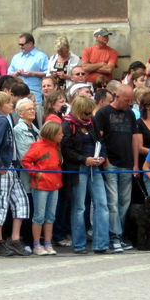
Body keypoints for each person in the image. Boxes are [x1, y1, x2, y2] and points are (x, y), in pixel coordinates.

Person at [61, 95, 110, 254]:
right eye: (86, 113)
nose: (89, 116)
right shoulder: (68, 125)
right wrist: (84, 159)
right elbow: (66, 150)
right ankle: (80, 244)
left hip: (95, 167)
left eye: (90, 113)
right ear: (78, 111)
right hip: (78, 169)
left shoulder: (92, 122)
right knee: (80, 207)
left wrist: (102, 156)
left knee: (102, 204)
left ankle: (101, 243)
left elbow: (101, 141)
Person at [94, 82, 139, 253]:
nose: (129, 104)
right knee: (112, 202)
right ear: (117, 96)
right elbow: (99, 138)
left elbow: (135, 139)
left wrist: (135, 163)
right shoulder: (103, 113)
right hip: (111, 163)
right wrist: (106, 160)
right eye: (127, 100)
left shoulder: (130, 114)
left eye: (131, 101)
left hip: (127, 163)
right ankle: (114, 236)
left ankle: (118, 235)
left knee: (124, 202)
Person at [0, 91, 29, 256]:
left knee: (21, 201)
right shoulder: (0, 120)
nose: (12, 104)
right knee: (1, 203)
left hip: (10, 166)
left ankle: (15, 239)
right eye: (8, 102)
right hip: (3, 167)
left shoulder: (5, 119)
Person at [21, 121, 63, 256]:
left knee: (50, 216)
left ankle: (48, 243)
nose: (62, 135)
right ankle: (36, 244)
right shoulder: (38, 146)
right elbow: (26, 161)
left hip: (55, 184)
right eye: (59, 133)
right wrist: (35, 172)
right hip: (41, 186)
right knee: (39, 216)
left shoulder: (57, 146)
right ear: (52, 134)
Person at [9, 32, 50, 103]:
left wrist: (33, 74)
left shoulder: (41, 56)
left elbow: (48, 73)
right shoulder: (16, 57)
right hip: (17, 95)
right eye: (19, 45)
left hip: (34, 93)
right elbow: (9, 74)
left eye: (22, 44)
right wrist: (16, 73)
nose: (20, 47)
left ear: (30, 43)